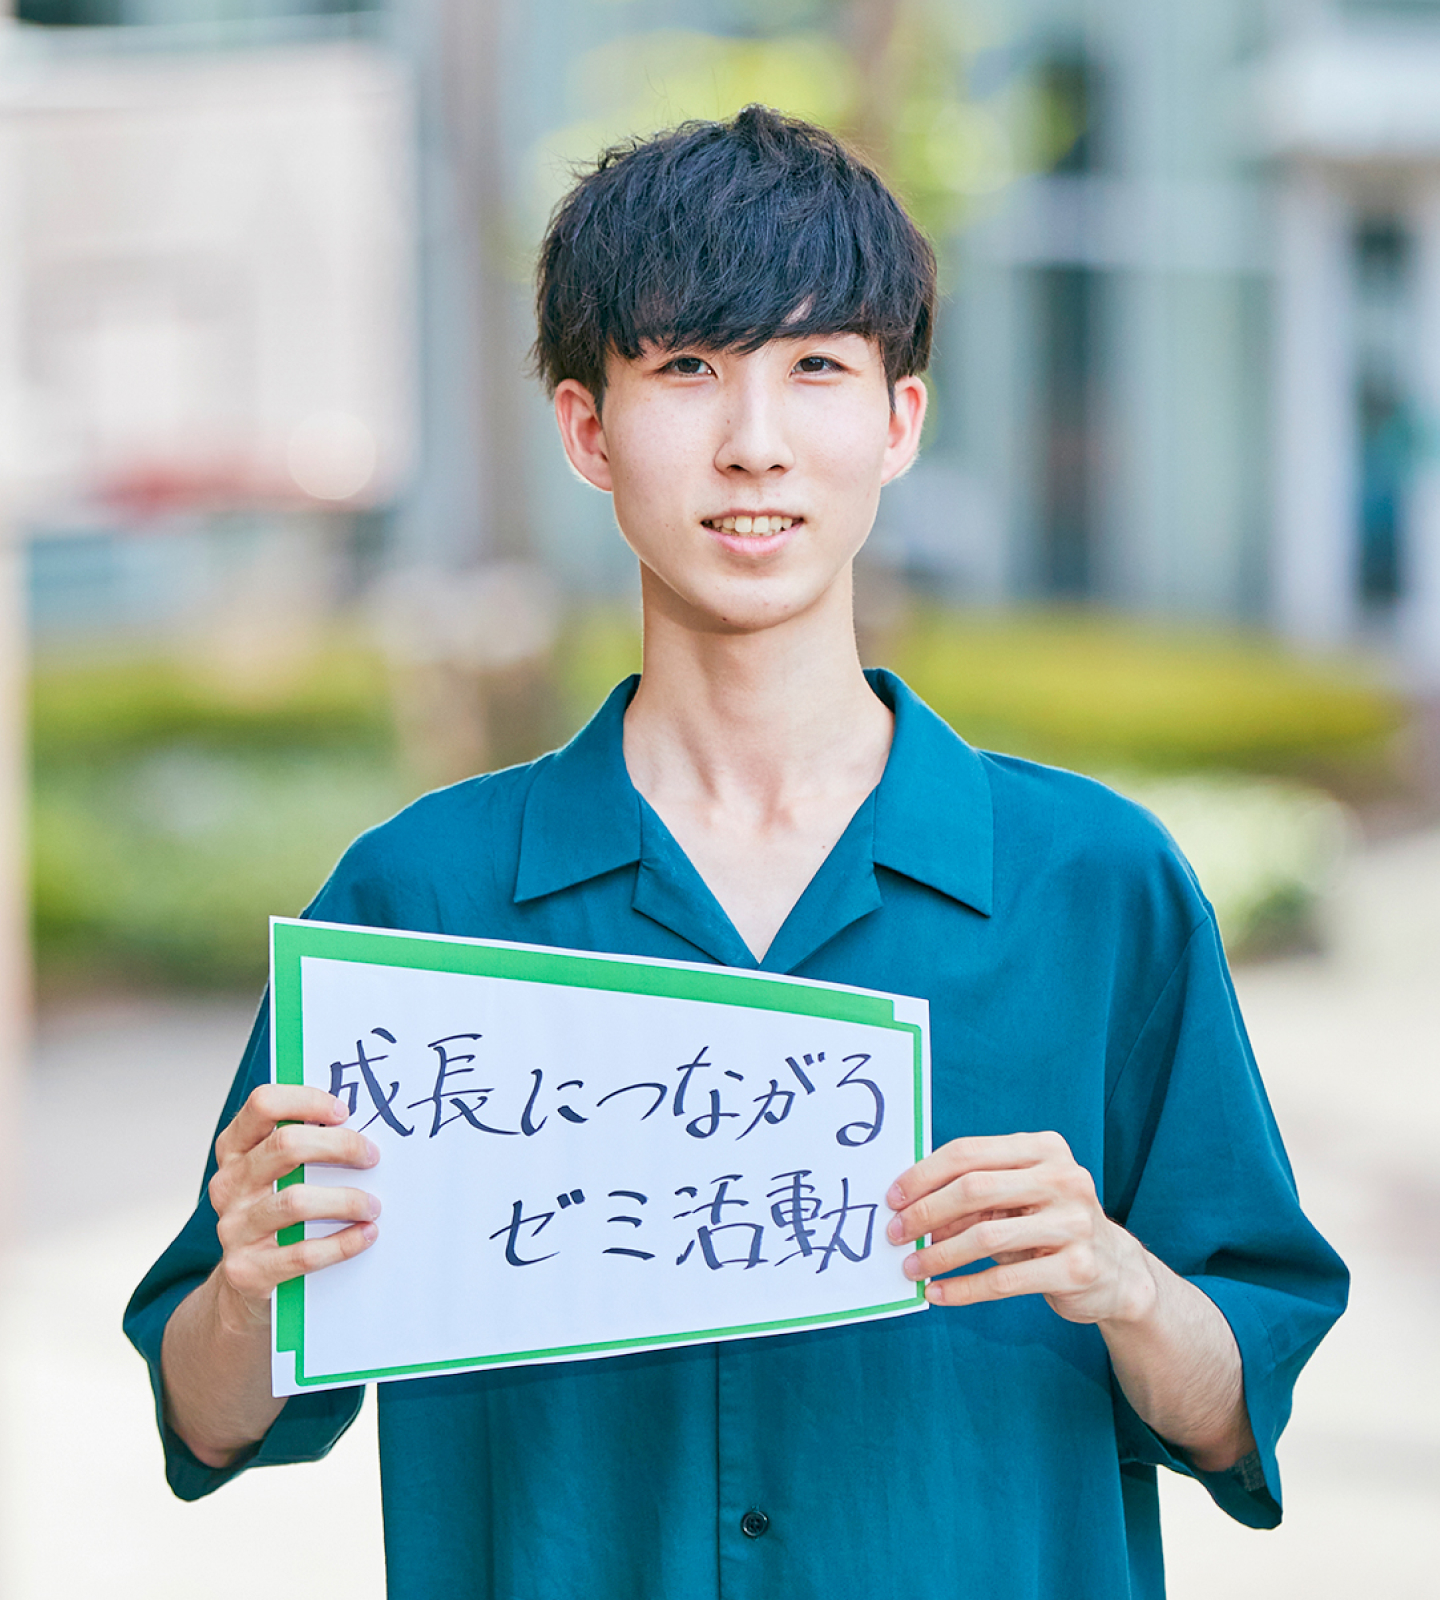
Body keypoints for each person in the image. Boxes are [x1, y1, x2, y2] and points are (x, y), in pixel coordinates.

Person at [126, 106, 1346, 1598]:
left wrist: (1122, 1280)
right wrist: (254, 1286)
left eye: (817, 367)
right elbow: (208, 1416)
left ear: (900, 420)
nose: (753, 442)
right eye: (687, 368)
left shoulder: (1096, 885)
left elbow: (1232, 1409)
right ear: (588, 429)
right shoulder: (421, 899)